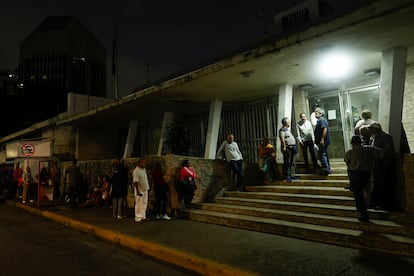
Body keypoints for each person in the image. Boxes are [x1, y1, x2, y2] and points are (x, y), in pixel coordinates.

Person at [344, 135, 382, 222]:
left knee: (358, 195)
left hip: (355, 174)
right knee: (367, 191)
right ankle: (368, 205)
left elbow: (348, 165)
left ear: (352, 143)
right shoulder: (368, 149)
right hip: (366, 174)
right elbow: (381, 153)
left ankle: (364, 214)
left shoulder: (349, 152)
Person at [368, 122, 396, 210]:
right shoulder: (374, 138)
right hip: (377, 165)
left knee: (384, 185)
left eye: (370, 129)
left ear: (376, 129)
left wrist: (375, 150)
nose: (369, 131)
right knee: (377, 184)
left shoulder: (386, 137)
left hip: (384, 165)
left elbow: (389, 151)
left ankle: (385, 205)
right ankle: (376, 202)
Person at [279, 117, 298, 181]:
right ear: (286, 123)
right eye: (288, 122)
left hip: (291, 147)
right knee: (287, 162)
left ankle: (292, 175)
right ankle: (287, 176)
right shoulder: (282, 130)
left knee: (291, 162)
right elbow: (282, 138)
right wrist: (284, 146)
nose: (289, 123)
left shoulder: (287, 129)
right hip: (287, 148)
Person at [314, 107, 332, 175]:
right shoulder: (320, 120)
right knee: (324, 154)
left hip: (322, 141)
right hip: (322, 141)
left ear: (320, 113)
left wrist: (322, 139)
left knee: (322, 155)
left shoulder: (322, 120)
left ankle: (326, 169)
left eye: (316, 112)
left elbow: (324, 129)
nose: (315, 114)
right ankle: (327, 168)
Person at [132, 158, 150, 223]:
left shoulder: (144, 170)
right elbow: (135, 182)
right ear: (139, 163)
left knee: (144, 203)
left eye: (144, 163)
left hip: (145, 189)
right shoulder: (136, 171)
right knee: (139, 204)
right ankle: (138, 217)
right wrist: (137, 191)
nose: (144, 164)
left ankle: (143, 216)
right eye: (142, 163)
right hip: (140, 190)